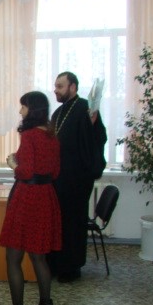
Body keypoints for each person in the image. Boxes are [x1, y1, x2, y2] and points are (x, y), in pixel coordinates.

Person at [0, 91, 61, 305]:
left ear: (32, 110)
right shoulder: (52, 135)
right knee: (39, 256)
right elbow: (54, 172)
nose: (20, 111)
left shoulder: (29, 135)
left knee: (13, 258)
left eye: (23, 106)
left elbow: (25, 172)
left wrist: (13, 163)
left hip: (27, 198)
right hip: (45, 196)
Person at [47, 72, 107, 282]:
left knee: (72, 223)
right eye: (55, 86)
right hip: (58, 179)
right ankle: (55, 264)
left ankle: (71, 268)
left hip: (77, 180)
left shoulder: (85, 108)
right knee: (58, 223)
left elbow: (99, 137)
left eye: (60, 86)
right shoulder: (58, 112)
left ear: (72, 87)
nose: (56, 90)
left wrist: (94, 123)